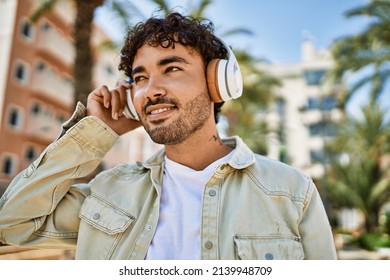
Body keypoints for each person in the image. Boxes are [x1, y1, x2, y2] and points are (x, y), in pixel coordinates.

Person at [0, 12, 337, 260]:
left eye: (171, 69)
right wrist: (95, 132)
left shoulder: (292, 192)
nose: (151, 90)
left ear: (218, 83)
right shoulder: (110, 192)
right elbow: (12, 223)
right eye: (140, 77)